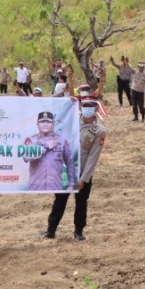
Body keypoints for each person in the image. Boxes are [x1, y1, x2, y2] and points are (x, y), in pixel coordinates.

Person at [41, 97, 106, 240]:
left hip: (82, 171)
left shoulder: (99, 131)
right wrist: (66, 102)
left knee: (81, 202)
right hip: (65, 169)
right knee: (59, 200)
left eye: (90, 106)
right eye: (84, 105)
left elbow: (93, 157)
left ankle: (78, 231)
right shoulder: (72, 121)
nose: (87, 108)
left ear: (96, 109)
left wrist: (84, 178)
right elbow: (56, 116)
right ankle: (51, 230)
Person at [22, 111, 75, 191]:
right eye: (42, 122)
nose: (45, 124)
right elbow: (26, 157)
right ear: (37, 124)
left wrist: (71, 184)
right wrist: (46, 146)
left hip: (55, 187)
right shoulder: (31, 140)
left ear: (53, 124)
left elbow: (70, 162)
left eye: (48, 122)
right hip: (35, 188)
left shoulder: (61, 140)